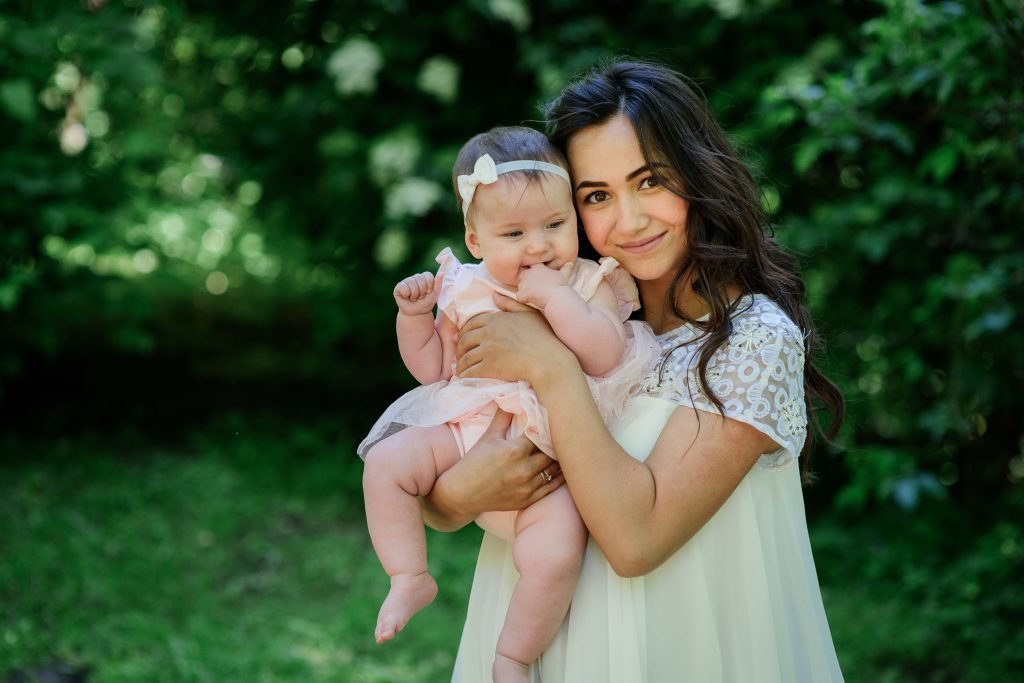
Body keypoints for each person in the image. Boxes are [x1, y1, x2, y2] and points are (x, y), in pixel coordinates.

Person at [422, 59, 848, 682]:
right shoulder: (558, 313)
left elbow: (636, 541)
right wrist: (454, 494)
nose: (629, 220)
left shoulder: (752, 339)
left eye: (651, 182)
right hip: (539, 643)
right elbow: (454, 468)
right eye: (596, 196)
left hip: (686, 648)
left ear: (699, 174)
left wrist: (552, 370)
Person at [358, 126, 660, 682]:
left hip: (551, 460)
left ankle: (513, 657)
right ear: (476, 241)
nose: (539, 246)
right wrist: (413, 319)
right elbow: (435, 369)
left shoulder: (589, 282)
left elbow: (603, 354)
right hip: (461, 435)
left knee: (555, 556)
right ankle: (408, 575)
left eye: (554, 225)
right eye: (514, 232)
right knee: (384, 465)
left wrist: (557, 299)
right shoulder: (464, 287)